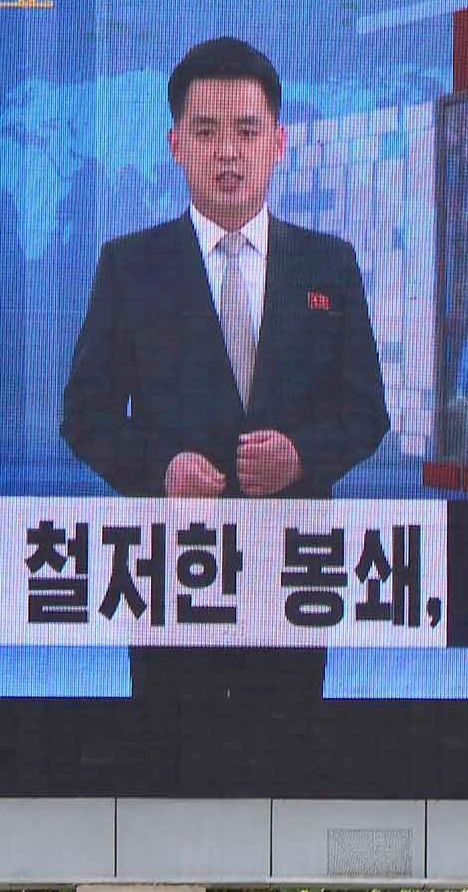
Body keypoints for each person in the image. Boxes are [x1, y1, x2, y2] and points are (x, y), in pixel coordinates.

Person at [58, 37, 388, 708]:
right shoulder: (131, 267)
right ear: (176, 143)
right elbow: (85, 416)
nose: (227, 152)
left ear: (278, 142)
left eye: (246, 130)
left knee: (289, 768)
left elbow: (365, 414)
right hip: (172, 577)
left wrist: (300, 457)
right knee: (172, 774)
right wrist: (162, 470)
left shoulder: (330, 266)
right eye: (206, 132)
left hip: (293, 574)